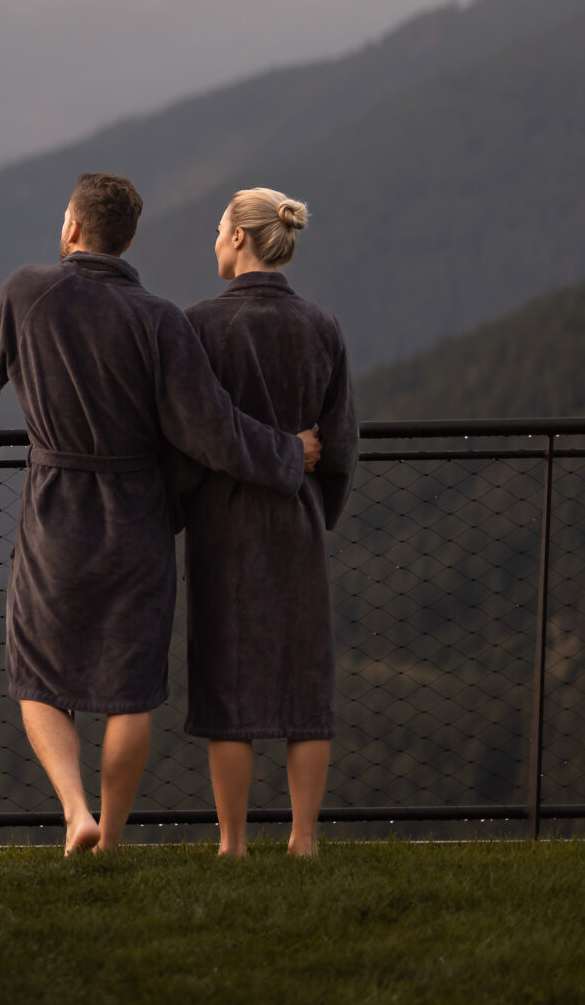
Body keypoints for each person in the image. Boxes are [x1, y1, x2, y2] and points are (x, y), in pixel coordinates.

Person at [0, 171, 318, 853]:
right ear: (127, 240)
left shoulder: (25, 294)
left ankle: (76, 811)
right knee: (129, 691)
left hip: (54, 514)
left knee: (38, 675)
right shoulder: (159, 318)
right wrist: (288, 453)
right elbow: (214, 430)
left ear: (73, 228)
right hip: (139, 519)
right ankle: (112, 837)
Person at [180, 187, 358, 858]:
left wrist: (181, 503)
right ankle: (304, 837)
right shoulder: (323, 325)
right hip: (299, 518)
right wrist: (319, 503)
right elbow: (339, 443)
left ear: (237, 239)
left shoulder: (198, 326)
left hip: (222, 523)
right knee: (303, 677)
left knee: (230, 682)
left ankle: (232, 842)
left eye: (218, 229)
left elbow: (192, 434)